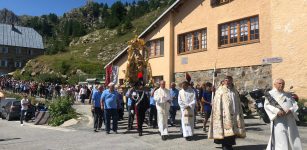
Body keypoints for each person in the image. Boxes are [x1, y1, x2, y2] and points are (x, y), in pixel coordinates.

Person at [208, 76, 246, 150]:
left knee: (232, 131)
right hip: (224, 114)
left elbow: (237, 102)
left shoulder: (234, 91)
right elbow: (217, 102)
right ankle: (225, 145)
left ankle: (230, 145)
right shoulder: (220, 90)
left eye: (229, 80)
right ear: (224, 81)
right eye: (226, 80)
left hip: (234, 113)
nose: (227, 82)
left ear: (232, 81)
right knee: (226, 130)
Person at [264, 78, 302, 150]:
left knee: (292, 138)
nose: (282, 85)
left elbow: (295, 105)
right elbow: (267, 105)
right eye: (279, 83)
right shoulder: (270, 95)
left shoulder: (288, 94)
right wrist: (276, 111)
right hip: (278, 120)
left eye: (283, 84)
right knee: (281, 138)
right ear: (274, 84)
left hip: (289, 119)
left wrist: (291, 110)